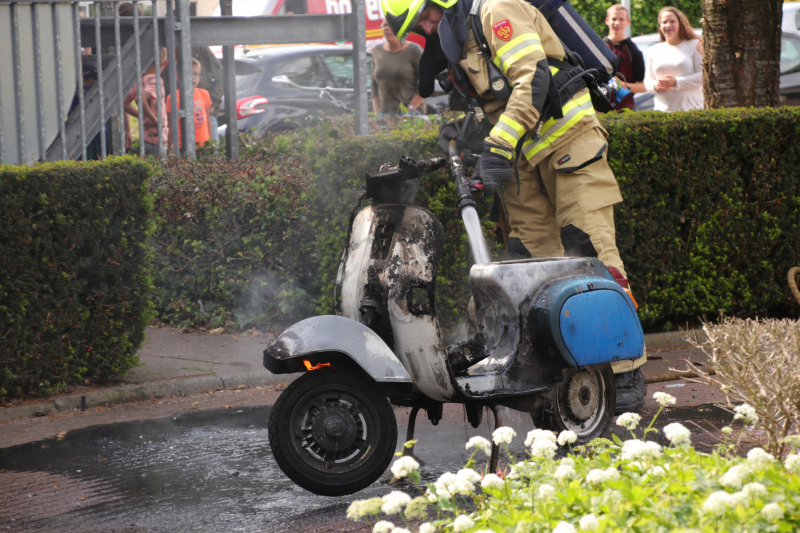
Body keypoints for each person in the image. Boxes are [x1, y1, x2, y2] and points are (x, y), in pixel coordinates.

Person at [381, 0, 647, 411]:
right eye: (421, 24)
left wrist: (500, 144)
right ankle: (555, 371)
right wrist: (471, 135)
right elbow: (496, 99)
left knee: (592, 252)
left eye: (428, 17)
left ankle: (625, 369)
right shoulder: (463, 35)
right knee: (531, 266)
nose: (429, 28)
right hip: (522, 158)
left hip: (569, 140)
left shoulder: (496, 9)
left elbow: (532, 78)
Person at [644, 7, 704, 112]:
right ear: (660, 26)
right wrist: (656, 85)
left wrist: (676, 82)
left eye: (672, 21)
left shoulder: (694, 44)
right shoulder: (654, 49)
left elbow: (703, 76)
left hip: (691, 110)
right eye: (664, 22)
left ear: (680, 23)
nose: (668, 25)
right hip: (662, 111)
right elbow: (647, 81)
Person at [371, 19, 426, 116]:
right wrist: (377, 112)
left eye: (390, 25)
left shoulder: (413, 50)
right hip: (384, 115)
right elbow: (374, 84)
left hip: (411, 114)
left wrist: (410, 110)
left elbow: (425, 82)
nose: (386, 28)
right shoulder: (377, 51)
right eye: (384, 25)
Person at [123, 48, 169, 157]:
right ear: (166, 63)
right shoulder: (156, 80)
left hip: (146, 139)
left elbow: (124, 103)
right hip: (157, 138)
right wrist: (155, 120)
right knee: (158, 171)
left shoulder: (140, 80)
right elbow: (140, 99)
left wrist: (143, 116)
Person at [603, 4, 645, 111]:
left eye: (621, 19)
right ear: (607, 20)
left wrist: (622, 85)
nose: (617, 23)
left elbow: (643, 86)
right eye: (614, 19)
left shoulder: (633, 51)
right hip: (598, 111)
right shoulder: (599, 47)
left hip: (625, 111)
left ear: (627, 22)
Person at [166, 58, 213, 153]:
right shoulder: (172, 98)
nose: (193, 77)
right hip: (182, 146)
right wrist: (171, 150)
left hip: (203, 146)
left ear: (199, 77)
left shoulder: (204, 94)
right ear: (178, 77)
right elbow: (170, 126)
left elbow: (207, 119)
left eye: (196, 74)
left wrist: (210, 142)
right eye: (189, 74)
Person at [69, 62, 106, 160]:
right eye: (95, 79)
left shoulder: (84, 90)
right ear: (83, 81)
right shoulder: (83, 92)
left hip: (96, 136)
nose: (98, 83)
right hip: (85, 138)